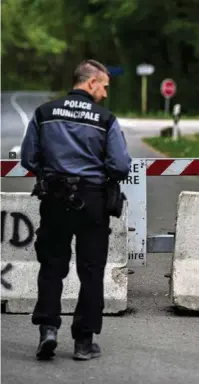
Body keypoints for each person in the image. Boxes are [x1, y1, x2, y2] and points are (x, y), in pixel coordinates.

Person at [21, 59, 132, 361]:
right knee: (92, 271)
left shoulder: (44, 113)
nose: (106, 94)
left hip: (55, 199)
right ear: (91, 82)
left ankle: (48, 330)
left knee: (52, 266)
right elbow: (121, 166)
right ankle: (84, 342)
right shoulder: (105, 119)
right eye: (105, 86)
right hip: (92, 201)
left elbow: (28, 158)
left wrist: (53, 170)